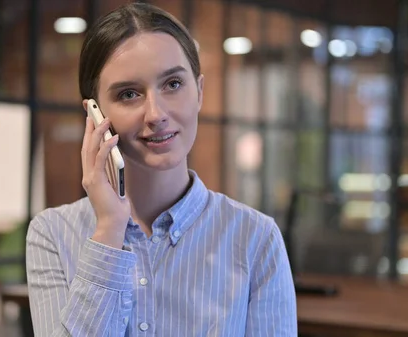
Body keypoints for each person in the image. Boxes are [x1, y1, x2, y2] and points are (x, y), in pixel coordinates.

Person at [26, 3, 297, 336]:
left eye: (172, 84)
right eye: (129, 94)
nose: (156, 114)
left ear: (199, 91)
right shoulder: (52, 234)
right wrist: (110, 229)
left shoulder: (255, 238)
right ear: (95, 114)